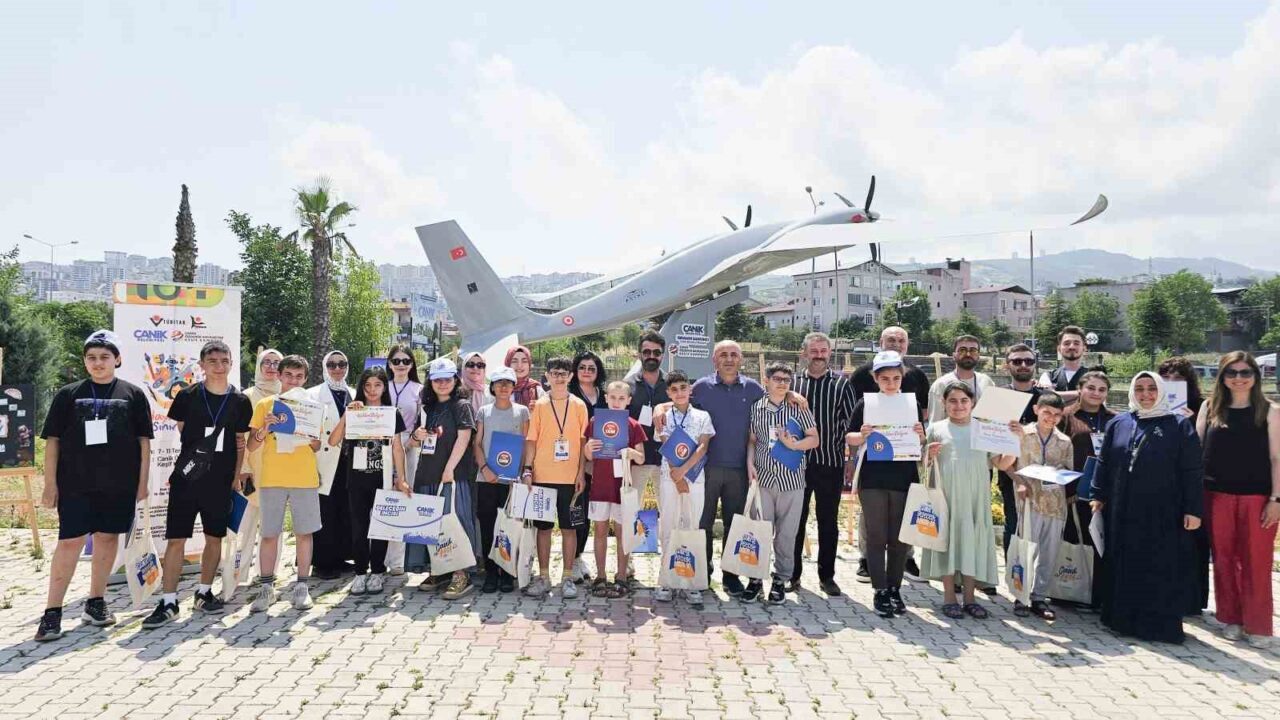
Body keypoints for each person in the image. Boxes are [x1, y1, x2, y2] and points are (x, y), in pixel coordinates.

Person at [35, 331, 153, 642]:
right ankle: (52, 613)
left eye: (104, 357)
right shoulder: (68, 394)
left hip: (118, 485)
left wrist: (142, 483)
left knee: (106, 539)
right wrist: (50, 484)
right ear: (85, 362)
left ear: (117, 359)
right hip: (75, 484)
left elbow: (144, 443)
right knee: (70, 542)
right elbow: (53, 442)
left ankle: (96, 602)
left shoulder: (133, 394)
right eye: (91, 358)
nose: (98, 363)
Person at [143, 340, 252, 628]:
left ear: (231, 364)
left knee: (214, 537)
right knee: (176, 539)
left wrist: (235, 477)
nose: (219, 365)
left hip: (220, 481)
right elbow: (182, 430)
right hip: (187, 478)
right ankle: (168, 600)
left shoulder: (241, 402)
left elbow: (240, 443)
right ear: (202, 365)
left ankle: (204, 592)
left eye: (224, 360)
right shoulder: (187, 396)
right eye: (212, 360)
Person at [1092, 372, 1203, 643]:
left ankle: (1157, 626)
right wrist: (1097, 494)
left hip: (1163, 512)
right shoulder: (1119, 422)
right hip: (1122, 508)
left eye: (1152, 389)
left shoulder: (1179, 425)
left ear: (1161, 391)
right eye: (1139, 388)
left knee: (1159, 564)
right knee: (1124, 561)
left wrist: (1193, 509)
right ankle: (1122, 620)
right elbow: (1103, 461)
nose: (1145, 394)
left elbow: (1192, 470)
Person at [1197, 352, 1280, 648]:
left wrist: (1276, 499)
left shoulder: (1270, 411)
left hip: (1257, 497)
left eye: (1246, 372)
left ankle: (1258, 625)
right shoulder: (1210, 408)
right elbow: (1196, 453)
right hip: (1216, 495)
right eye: (1231, 373)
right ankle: (1231, 618)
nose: (1239, 378)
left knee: (1256, 561)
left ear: (1256, 376)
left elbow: (1276, 458)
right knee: (1223, 559)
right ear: (1222, 377)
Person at [921, 382, 1019, 620]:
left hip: (975, 497)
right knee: (946, 540)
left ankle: (971, 598)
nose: (958, 406)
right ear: (944, 403)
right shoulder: (936, 428)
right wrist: (928, 454)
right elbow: (922, 464)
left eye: (964, 401)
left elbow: (1001, 464)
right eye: (952, 401)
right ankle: (948, 597)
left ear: (973, 403)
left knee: (971, 542)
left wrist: (1015, 442)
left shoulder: (984, 428)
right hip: (946, 496)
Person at [845, 351, 927, 618]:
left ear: (902, 378)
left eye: (895, 378)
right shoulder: (865, 404)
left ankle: (895, 588)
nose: (891, 383)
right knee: (877, 536)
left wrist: (920, 435)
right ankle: (880, 590)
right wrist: (862, 434)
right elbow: (850, 437)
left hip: (903, 477)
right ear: (875, 379)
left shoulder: (910, 405)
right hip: (873, 478)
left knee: (899, 539)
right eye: (885, 378)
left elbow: (920, 440)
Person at [247, 355, 324, 612]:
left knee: (304, 533)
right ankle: (266, 588)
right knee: (269, 534)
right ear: (279, 376)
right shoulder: (266, 405)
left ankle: (301, 586)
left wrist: (308, 433)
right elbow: (252, 445)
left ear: (305, 379)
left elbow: (317, 446)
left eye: (299, 376)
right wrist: (264, 430)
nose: (293, 380)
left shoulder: (313, 406)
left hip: (303, 477)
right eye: (288, 375)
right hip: (272, 478)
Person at [328, 366, 409, 595]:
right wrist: (346, 414)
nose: (372, 390)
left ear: (385, 387)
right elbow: (333, 441)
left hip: (381, 477)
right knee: (359, 527)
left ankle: (378, 572)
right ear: (362, 387)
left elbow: (397, 447)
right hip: (356, 478)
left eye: (378, 385)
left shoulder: (392, 413)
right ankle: (360, 573)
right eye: (367, 385)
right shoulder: (354, 411)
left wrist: (401, 479)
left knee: (381, 528)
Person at [747, 362, 820, 605]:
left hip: (792, 479)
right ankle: (756, 578)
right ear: (766, 380)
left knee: (787, 534)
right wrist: (750, 464)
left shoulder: (797, 407)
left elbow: (814, 439)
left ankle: (780, 579)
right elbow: (753, 440)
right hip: (764, 479)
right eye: (777, 379)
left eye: (786, 381)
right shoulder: (757, 408)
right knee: (760, 531)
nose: (781, 384)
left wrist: (794, 446)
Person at [789, 332, 855, 596]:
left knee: (828, 522)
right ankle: (791, 574)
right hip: (795, 464)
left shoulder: (841, 385)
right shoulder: (792, 383)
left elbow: (850, 424)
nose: (818, 355)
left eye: (823, 351)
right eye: (813, 351)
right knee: (795, 521)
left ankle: (827, 576)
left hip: (831, 462)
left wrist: (850, 459)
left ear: (829, 353)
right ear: (804, 353)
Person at [411, 358, 479, 599]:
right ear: (430, 382)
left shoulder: (462, 405)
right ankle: (439, 569)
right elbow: (412, 441)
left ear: (455, 380)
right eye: (437, 379)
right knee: (430, 525)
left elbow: (464, 439)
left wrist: (449, 468)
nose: (442, 384)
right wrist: (416, 436)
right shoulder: (426, 408)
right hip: (427, 473)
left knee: (456, 522)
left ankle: (461, 573)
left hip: (454, 475)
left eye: (447, 379)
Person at [521, 356, 589, 598]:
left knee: (570, 529)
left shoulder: (579, 405)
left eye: (564, 373)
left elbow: (583, 442)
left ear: (571, 376)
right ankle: (544, 576)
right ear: (547, 377)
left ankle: (568, 577)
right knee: (544, 529)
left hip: (571, 478)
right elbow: (531, 440)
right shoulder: (539, 405)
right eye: (554, 373)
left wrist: (581, 472)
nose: (559, 377)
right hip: (542, 475)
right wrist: (528, 469)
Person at [653, 370, 715, 607]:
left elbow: (703, 447)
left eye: (683, 388)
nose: (679, 393)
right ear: (668, 393)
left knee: (691, 526)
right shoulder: (664, 417)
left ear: (690, 390)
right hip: (670, 477)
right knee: (668, 525)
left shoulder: (702, 416)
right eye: (674, 389)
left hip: (695, 477)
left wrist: (685, 472)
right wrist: (676, 476)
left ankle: (690, 582)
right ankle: (666, 581)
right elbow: (666, 443)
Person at [1011, 392, 1074, 620]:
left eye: (1057, 415)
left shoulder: (1065, 441)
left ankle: (1039, 597)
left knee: (1049, 553)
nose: (1051, 418)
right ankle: (1020, 595)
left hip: (1055, 504)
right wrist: (1019, 482)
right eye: (1047, 412)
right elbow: (1009, 464)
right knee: (1026, 550)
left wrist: (1060, 476)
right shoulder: (1022, 434)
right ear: (1037, 409)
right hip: (1030, 501)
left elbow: (1069, 469)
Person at [583, 381, 647, 598]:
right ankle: (600, 576)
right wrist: (588, 448)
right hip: (599, 486)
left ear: (629, 401)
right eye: (613, 397)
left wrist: (630, 451)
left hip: (622, 488)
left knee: (622, 533)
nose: (617, 402)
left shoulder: (633, 425)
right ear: (606, 399)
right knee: (599, 531)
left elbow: (641, 458)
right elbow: (588, 455)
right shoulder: (595, 421)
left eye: (622, 398)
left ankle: (621, 576)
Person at [1059, 370, 1117, 610]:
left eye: (1102, 389)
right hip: (1074, 491)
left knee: (1100, 543)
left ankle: (1098, 595)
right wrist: (1067, 488)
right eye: (1091, 388)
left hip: (1103, 494)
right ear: (1080, 389)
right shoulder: (1066, 416)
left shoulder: (1115, 419)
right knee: (1074, 543)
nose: (1096, 393)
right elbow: (1057, 452)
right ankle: (1070, 592)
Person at [473, 366, 530, 593]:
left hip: (512, 480)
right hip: (487, 478)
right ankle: (490, 573)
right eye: (499, 383)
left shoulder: (523, 411)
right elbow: (477, 444)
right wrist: (485, 468)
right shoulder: (484, 412)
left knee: (509, 526)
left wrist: (524, 470)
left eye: (508, 382)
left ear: (513, 386)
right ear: (493, 387)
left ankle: (507, 572)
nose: (504, 387)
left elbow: (526, 444)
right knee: (488, 526)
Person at [1160, 355, 1210, 612]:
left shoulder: (1201, 407)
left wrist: (1190, 421)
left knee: (1194, 542)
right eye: (1166, 378)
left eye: (1177, 379)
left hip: (1191, 483)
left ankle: (1194, 599)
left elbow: (1204, 446)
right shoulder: (1155, 406)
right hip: (1163, 482)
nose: (1171, 383)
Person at [623, 330, 670, 586]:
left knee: (666, 515)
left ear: (663, 355)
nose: (651, 356)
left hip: (666, 461)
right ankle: (627, 566)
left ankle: (668, 566)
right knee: (634, 513)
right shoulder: (629, 384)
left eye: (656, 352)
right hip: (638, 461)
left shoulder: (672, 384)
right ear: (639, 353)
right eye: (646, 352)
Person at [309, 351, 355, 580]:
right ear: (325, 366)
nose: (337, 368)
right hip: (324, 460)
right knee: (324, 511)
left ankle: (341, 556)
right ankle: (322, 562)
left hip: (348, 461)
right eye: (332, 364)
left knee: (344, 510)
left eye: (342, 364)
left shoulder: (354, 393)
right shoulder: (313, 394)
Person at [997, 343, 1043, 555]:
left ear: (1035, 365)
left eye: (1028, 361)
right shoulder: (1000, 397)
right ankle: (1012, 580)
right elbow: (996, 449)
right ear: (1007, 366)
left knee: (1041, 530)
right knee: (1013, 525)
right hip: (1011, 475)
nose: (1023, 365)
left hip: (1042, 476)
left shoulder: (1045, 399)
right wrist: (1019, 481)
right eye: (1017, 361)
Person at [568, 349, 608, 583]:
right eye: (582, 367)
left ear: (597, 372)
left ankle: (580, 556)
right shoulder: (570, 394)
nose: (586, 372)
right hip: (575, 461)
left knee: (593, 512)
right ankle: (573, 559)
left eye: (591, 368)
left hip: (602, 463)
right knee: (577, 510)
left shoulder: (604, 396)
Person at [385, 345, 423, 575]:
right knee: (384, 497)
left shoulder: (419, 389)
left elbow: (422, 420)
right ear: (389, 364)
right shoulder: (381, 387)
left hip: (410, 445)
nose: (401, 365)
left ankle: (399, 560)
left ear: (412, 364)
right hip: (382, 445)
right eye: (396, 361)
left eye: (405, 361)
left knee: (404, 497)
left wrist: (411, 443)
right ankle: (379, 554)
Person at [926, 335, 994, 423]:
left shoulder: (986, 382)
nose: (968, 354)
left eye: (973, 350)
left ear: (978, 356)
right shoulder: (941, 385)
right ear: (954, 355)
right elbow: (935, 424)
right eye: (962, 350)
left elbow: (992, 420)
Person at [1038, 325, 1087, 404]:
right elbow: (1047, 399)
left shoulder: (1093, 375)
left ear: (1084, 348)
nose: (1072, 347)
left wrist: (1056, 395)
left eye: (1076, 343)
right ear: (1059, 349)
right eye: (1067, 343)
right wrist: (1083, 394)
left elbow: (1099, 402)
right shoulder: (1048, 376)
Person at [505, 345, 545, 409]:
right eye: (514, 361)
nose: (519, 365)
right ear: (508, 364)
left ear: (529, 364)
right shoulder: (500, 389)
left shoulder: (537, 390)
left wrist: (540, 409)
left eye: (524, 361)